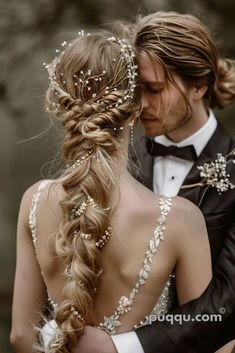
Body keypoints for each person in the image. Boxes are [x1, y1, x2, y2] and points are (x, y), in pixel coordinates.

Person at [10, 30, 213, 353]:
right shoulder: (180, 220)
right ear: (135, 110)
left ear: (57, 106)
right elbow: (213, 343)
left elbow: (21, 337)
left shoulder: (34, 201)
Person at [69, 11, 235, 353]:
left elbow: (228, 301)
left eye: (155, 90)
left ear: (199, 86)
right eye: (137, 89)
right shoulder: (117, 157)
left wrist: (122, 347)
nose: (141, 104)